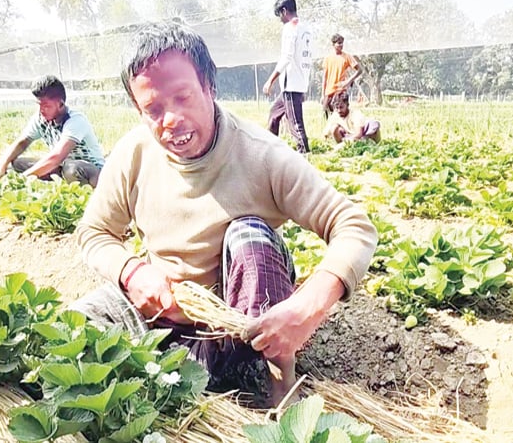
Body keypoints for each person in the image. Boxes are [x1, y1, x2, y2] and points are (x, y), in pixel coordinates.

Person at [72, 21, 377, 407]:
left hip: (238, 327)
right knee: (65, 335)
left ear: (209, 88)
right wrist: (132, 273)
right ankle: (183, 371)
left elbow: (354, 227)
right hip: (162, 315)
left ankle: (273, 384)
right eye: (153, 109)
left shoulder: (261, 155)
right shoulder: (133, 153)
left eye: (183, 97)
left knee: (248, 234)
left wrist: (306, 309)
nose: (170, 121)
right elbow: (94, 232)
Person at [0, 75, 104, 187]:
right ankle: (58, 183)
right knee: (16, 164)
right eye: (39, 105)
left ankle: (86, 190)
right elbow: (21, 143)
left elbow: (56, 157)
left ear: (61, 104)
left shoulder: (75, 121)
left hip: (91, 171)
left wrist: (23, 178)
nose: (41, 110)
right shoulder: (41, 119)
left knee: (71, 169)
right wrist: (0, 166)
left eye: (46, 106)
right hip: (62, 167)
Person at [262, 0, 313, 154]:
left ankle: (305, 156)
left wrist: (270, 80)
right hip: (298, 83)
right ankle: (272, 151)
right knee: (274, 115)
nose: (280, 19)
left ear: (284, 11)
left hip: (291, 84)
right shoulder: (306, 28)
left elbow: (287, 57)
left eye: (279, 15)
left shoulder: (290, 27)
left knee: (296, 125)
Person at [321, 33, 362, 119]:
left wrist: (348, 81)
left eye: (342, 43)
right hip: (329, 91)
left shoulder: (347, 57)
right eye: (339, 43)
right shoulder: (328, 58)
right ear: (333, 44)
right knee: (325, 115)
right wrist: (323, 94)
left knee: (341, 116)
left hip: (340, 91)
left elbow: (359, 70)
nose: (341, 45)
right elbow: (324, 77)